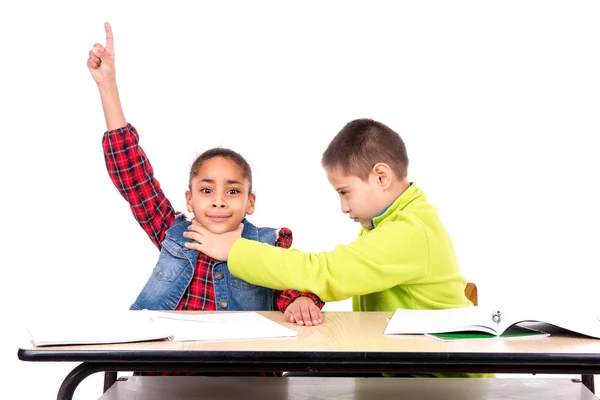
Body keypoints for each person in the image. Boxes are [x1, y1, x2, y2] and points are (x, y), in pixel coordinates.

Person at [87, 22, 324, 327]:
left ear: (251, 203)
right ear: (190, 199)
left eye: (233, 191)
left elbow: (295, 282)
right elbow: (131, 173)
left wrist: (301, 300)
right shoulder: (172, 232)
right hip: (167, 367)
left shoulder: (268, 245)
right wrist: (107, 85)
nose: (219, 202)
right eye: (207, 190)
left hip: (241, 370)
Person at [185, 118, 473, 313]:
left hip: (438, 379)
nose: (343, 207)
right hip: (403, 368)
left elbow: (326, 273)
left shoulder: (409, 231)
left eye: (345, 192)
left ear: (381, 176)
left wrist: (234, 251)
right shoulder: (389, 222)